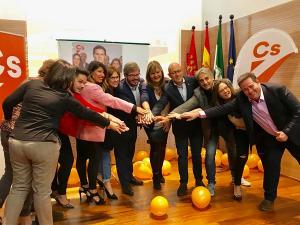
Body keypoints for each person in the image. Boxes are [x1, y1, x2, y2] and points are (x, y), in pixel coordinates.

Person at [1, 59, 125, 225]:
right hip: (43, 145)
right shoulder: (64, 96)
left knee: (19, 187)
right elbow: (86, 113)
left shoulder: (32, 85)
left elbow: (7, 102)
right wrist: (109, 124)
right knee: (42, 193)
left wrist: (13, 122)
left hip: (17, 141)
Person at [181, 72, 300, 211]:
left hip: (292, 134)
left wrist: (286, 132)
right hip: (270, 138)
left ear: (258, 82)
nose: (249, 91)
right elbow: (222, 108)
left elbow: (298, 110)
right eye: (245, 89)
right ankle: (269, 199)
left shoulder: (278, 90)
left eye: (251, 86)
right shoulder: (242, 99)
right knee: (271, 168)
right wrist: (198, 113)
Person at [167, 67, 250, 196]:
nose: (205, 82)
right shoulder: (199, 93)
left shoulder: (222, 86)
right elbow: (187, 106)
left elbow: (234, 95)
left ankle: (236, 178)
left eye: (207, 78)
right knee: (210, 155)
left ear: (212, 77)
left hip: (228, 126)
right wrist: (169, 116)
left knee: (233, 152)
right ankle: (211, 182)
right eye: (201, 81)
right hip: (211, 128)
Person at [76, 61, 147, 204]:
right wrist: (136, 109)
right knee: (100, 159)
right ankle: (99, 188)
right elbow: (112, 103)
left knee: (103, 157)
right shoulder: (97, 88)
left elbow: (102, 111)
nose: (103, 75)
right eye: (100, 72)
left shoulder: (102, 87)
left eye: (104, 73)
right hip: (99, 129)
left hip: (107, 127)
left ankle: (91, 187)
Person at [0, 59, 55, 225]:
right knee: (24, 181)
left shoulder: (30, 81)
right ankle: (24, 217)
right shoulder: (42, 86)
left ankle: (24, 218)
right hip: (23, 136)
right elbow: (8, 103)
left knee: (13, 176)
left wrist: (9, 121)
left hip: (8, 132)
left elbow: (8, 102)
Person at [152, 62, 204, 197]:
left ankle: (199, 180)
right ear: (169, 75)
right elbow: (161, 103)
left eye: (178, 71)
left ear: (183, 71)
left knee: (197, 155)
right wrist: (151, 114)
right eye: (173, 72)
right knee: (182, 156)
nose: (176, 74)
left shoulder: (194, 82)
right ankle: (183, 183)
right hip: (180, 128)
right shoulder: (168, 89)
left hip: (196, 125)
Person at [112, 62, 153, 196]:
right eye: (132, 75)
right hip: (122, 125)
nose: (136, 78)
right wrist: (140, 114)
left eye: (137, 74)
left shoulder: (141, 82)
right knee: (122, 155)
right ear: (125, 75)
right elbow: (126, 106)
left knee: (130, 152)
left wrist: (145, 111)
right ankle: (124, 184)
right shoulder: (120, 87)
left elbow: (144, 95)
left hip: (133, 125)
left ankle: (129, 177)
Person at [144, 61, 170, 190]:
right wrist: (148, 114)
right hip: (151, 121)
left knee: (163, 147)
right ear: (149, 75)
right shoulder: (146, 86)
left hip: (165, 120)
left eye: (157, 72)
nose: (155, 75)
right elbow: (144, 99)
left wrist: (168, 119)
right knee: (155, 147)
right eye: (152, 73)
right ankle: (155, 176)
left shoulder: (167, 83)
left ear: (161, 71)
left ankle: (159, 172)